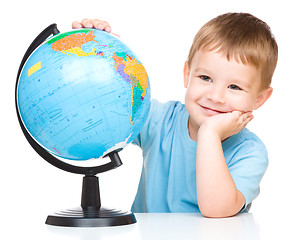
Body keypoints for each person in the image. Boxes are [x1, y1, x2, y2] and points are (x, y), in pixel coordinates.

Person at [72, 13, 278, 218]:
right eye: (205, 77)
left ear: (259, 99)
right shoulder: (160, 120)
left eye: (234, 87)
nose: (216, 97)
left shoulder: (250, 152)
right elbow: (104, 107)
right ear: (187, 74)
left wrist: (210, 133)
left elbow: (216, 210)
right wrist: (91, 52)